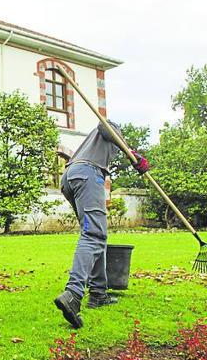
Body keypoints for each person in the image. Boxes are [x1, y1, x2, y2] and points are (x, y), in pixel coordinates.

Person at [54, 121, 149, 329]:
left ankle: (98, 293)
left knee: (95, 235)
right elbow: (105, 126)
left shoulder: (98, 145)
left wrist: (133, 159)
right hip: (87, 175)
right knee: (93, 236)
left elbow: (113, 139)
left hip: (71, 177)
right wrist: (132, 152)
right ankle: (73, 293)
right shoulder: (111, 128)